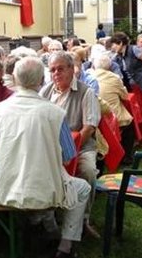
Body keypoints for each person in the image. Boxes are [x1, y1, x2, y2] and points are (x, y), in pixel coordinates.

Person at [0, 56, 91, 258]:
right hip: (42, 189)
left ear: (14, 79)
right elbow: (68, 156)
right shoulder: (55, 113)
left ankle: (43, 227)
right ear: (42, 81)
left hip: (1, 188)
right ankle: (64, 247)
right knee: (82, 188)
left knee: (53, 184)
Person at [39, 51, 101, 239]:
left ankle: (84, 219)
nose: (56, 74)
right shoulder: (46, 91)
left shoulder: (85, 92)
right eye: (52, 70)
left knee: (88, 170)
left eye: (60, 69)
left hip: (80, 147)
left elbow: (89, 127)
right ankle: (46, 219)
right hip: (50, 149)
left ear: (71, 69)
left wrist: (70, 150)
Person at [92, 54, 134, 164]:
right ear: (110, 66)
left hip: (95, 116)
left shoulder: (88, 76)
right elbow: (125, 96)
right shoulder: (114, 78)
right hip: (112, 116)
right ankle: (127, 156)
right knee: (129, 123)